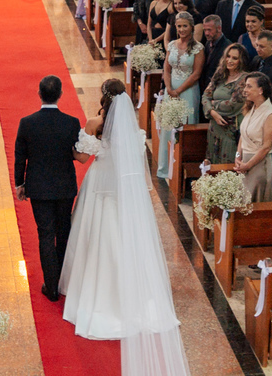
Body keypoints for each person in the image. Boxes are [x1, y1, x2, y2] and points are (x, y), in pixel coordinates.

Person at [59, 83, 192, 373]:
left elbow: (82, 157)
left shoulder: (94, 123)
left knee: (97, 236)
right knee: (124, 238)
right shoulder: (134, 131)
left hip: (100, 187)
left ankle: (96, 293)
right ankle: (133, 294)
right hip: (123, 191)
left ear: (104, 98)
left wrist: (69, 147)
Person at [15, 75, 82, 302]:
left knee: (45, 234)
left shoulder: (27, 122)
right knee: (63, 232)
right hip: (64, 186)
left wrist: (19, 183)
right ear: (60, 94)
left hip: (39, 187)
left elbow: (20, 157)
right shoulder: (71, 123)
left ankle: (51, 286)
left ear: (39, 94)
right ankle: (62, 280)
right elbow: (76, 152)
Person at [158, 12, 204, 178]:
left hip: (188, 91)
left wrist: (178, 91)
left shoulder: (198, 48)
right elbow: (167, 68)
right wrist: (169, 88)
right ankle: (165, 167)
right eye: (179, 26)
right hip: (171, 91)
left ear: (191, 27)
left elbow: (196, 74)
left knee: (184, 126)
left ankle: (181, 170)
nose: (182, 29)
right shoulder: (171, 45)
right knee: (168, 126)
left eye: (185, 26)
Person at [202, 43, 249, 163]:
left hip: (230, 132)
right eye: (228, 56)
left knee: (227, 167)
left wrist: (212, 104)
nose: (230, 60)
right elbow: (205, 96)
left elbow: (232, 105)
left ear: (241, 61)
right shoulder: (220, 74)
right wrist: (212, 112)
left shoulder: (244, 80)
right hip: (214, 129)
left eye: (235, 58)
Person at [199, 13, 229, 93]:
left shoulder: (227, 47)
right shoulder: (208, 43)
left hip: (218, 89)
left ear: (219, 28)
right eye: (205, 30)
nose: (206, 33)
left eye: (209, 30)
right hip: (205, 88)